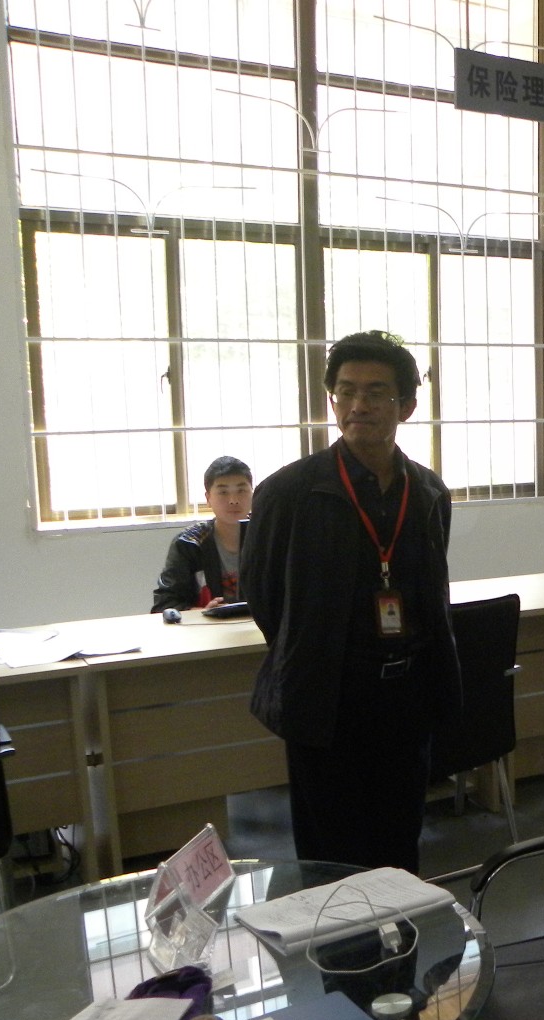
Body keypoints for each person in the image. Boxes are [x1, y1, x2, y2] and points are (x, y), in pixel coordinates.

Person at [240, 331, 460, 871]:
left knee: (398, 850)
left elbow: (430, 591)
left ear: (406, 406)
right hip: (328, 696)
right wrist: (312, 650)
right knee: (331, 860)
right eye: (346, 391)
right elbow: (264, 596)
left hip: (405, 697)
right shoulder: (290, 492)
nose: (359, 404)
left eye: (377, 392)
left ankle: (398, 928)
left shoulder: (428, 491)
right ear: (332, 400)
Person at [149, 456, 253, 612]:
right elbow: (164, 604)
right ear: (208, 498)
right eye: (223, 492)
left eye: (241, 490)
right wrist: (204, 612)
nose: (233, 500)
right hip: (207, 626)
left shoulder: (269, 537)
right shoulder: (188, 543)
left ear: (253, 493)